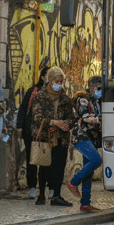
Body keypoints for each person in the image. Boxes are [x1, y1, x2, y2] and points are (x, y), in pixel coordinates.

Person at [31, 67, 75, 206]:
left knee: (59, 167)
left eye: (61, 81)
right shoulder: (40, 96)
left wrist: (65, 123)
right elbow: (37, 117)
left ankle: (56, 195)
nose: (59, 84)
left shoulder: (65, 99)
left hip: (61, 138)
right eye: (57, 81)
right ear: (50, 81)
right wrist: (52, 122)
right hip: (46, 137)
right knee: (44, 167)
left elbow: (72, 118)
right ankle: (41, 195)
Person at [16, 67, 54, 199]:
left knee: (47, 159)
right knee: (31, 159)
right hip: (30, 130)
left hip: (47, 131)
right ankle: (32, 186)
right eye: (48, 75)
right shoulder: (33, 91)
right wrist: (19, 126)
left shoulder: (55, 92)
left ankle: (48, 187)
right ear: (43, 77)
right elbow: (23, 108)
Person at [67, 75, 103, 212]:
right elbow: (85, 117)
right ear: (91, 87)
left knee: (89, 172)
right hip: (81, 137)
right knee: (96, 160)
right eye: (98, 88)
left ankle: (85, 204)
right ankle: (73, 182)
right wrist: (104, 117)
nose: (100, 91)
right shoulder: (82, 99)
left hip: (91, 138)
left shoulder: (97, 101)